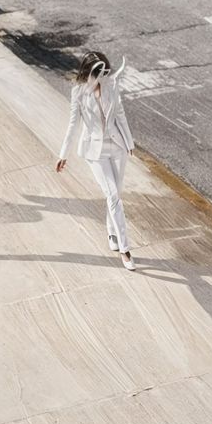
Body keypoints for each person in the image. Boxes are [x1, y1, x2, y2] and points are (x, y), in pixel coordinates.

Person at [56, 51, 136, 270]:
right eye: (96, 74)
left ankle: (112, 232)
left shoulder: (111, 86)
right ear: (88, 73)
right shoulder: (79, 93)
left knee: (116, 195)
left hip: (117, 148)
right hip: (95, 151)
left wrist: (129, 142)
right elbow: (73, 125)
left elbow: (120, 114)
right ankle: (125, 250)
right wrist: (64, 154)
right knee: (112, 196)